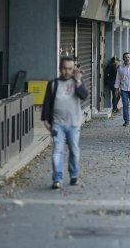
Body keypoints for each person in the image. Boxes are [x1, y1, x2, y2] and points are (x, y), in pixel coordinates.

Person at [41, 57, 88, 189]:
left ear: (74, 70)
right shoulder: (53, 84)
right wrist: (45, 120)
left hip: (74, 124)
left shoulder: (77, 83)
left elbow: (84, 96)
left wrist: (78, 81)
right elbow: (47, 103)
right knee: (57, 150)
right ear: (60, 68)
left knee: (74, 150)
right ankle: (57, 179)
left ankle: (74, 175)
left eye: (70, 69)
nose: (67, 71)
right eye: (64, 68)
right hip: (57, 124)